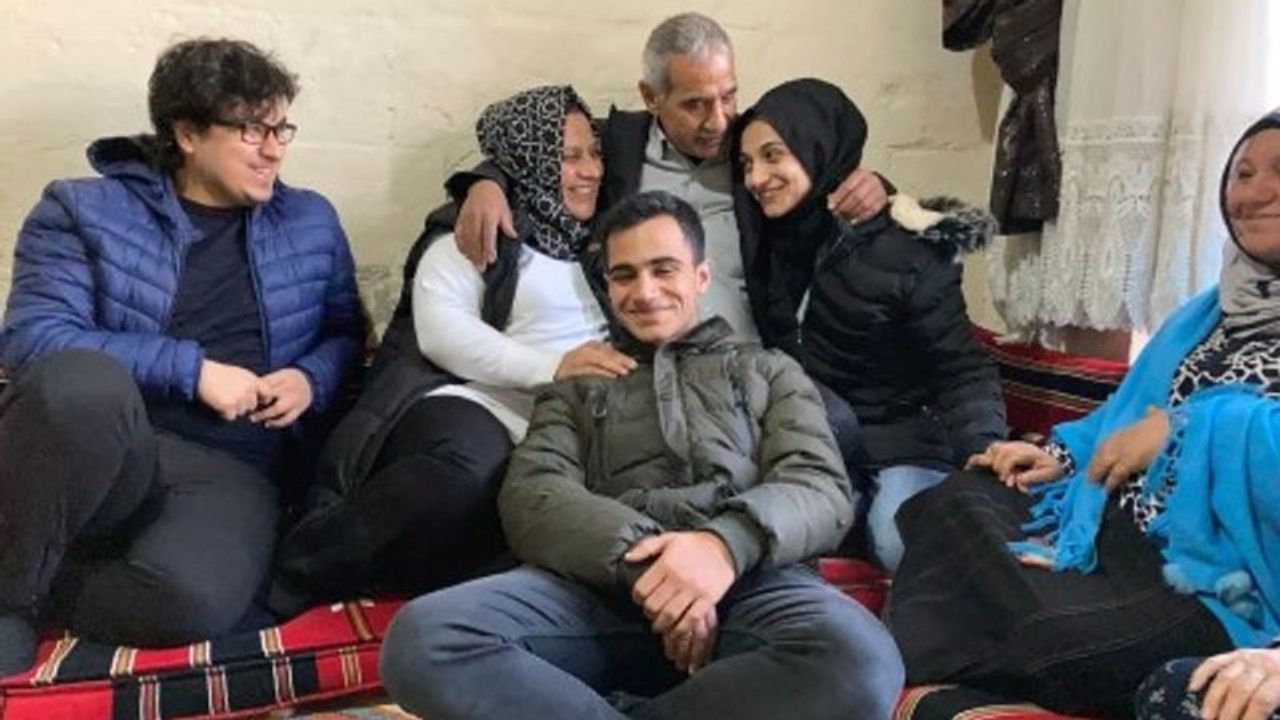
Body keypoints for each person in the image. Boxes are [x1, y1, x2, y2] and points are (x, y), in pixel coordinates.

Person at [378, 191, 905, 720]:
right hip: (597, 590)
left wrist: (721, 547)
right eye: (625, 275)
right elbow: (534, 496)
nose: (645, 292)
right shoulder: (576, 388)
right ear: (608, 287)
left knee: (862, 662)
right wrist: (650, 568)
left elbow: (818, 486)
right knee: (424, 639)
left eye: (664, 269)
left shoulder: (770, 370)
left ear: (701, 276)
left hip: (752, 583)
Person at [886, 110, 1280, 719]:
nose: (1253, 193)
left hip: (1215, 578)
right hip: (1120, 527)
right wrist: (1063, 456)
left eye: (1279, 171)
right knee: (959, 499)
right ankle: (945, 662)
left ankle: (916, 663)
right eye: (1242, 173)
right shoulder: (1213, 307)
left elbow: (1170, 426)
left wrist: (1186, 430)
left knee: (1046, 632)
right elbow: (1128, 414)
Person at [0, 38, 364, 676]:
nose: (274, 149)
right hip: (108, 442)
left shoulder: (311, 220)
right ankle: (11, 600)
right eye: (252, 130)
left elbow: (345, 332)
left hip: (230, 468)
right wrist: (191, 371)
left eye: (281, 128)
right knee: (79, 386)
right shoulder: (82, 209)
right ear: (188, 133)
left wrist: (311, 378)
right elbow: (32, 339)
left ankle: (41, 561)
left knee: (191, 601)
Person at [272, 85, 632, 603]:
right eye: (570, 157)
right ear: (528, 158)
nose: (591, 170)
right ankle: (305, 566)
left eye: (594, 153)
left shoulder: (611, 236)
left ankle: (432, 590)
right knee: (467, 475)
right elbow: (444, 334)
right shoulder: (478, 229)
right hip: (478, 401)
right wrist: (554, 366)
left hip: (570, 421)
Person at [449, 12, 890, 344]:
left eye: (728, 96)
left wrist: (877, 188)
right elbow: (540, 156)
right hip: (643, 368)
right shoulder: (617, 146)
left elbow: (819, 178)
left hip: (749, 362)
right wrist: (487, 183)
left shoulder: (754, 149)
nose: (719, 121)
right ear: (651, 96)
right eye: (695, 104)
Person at [730, 78, 1006, 572]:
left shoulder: (903, 250)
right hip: (820, 443)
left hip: (904, 442)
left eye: (773, 156)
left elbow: (962, 367)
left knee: (900, 544)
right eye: (747, 164)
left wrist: (986, 451)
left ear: (819, 148)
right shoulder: (771, 244)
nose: (757, 177)